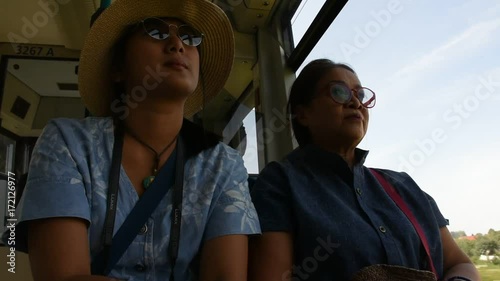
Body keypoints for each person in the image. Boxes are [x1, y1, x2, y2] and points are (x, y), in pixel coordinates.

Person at [1, 0, 260, 280]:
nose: (177, 43)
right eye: (155, 32)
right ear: (118, 69)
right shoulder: (67, 144)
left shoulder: (224, 165)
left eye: (189, 36)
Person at [248, 59, 480, 281]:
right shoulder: (280, 182)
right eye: (339, 92)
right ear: (303, 114)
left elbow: (461, 264)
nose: (355, 102)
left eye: (360, 95)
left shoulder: (404, 185)